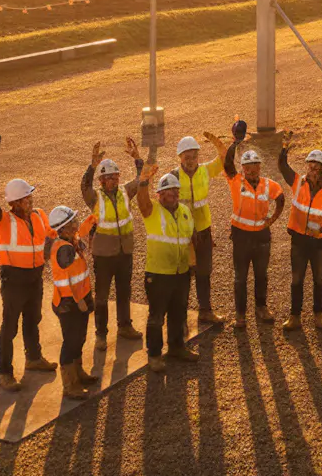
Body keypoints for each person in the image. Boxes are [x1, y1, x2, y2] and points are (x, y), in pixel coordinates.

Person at [0, 163, 56, 392]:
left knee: (33, 319)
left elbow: (49, 238)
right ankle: (4, 372)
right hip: (14, 280)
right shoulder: (4, 221)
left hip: (35, 277)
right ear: (14, 204)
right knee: (10, 327)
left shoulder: (38, 216)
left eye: (30, 197)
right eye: (26, 198)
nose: (31, 201)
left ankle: (33, 358)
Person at [210, 132, 285, 329]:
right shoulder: (236, 181)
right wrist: (235, 143)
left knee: (261, 274)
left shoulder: (269, 185)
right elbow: (227, 164)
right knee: (240, 277)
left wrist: (273, 218)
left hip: (261, 236)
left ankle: (261, 308)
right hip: (241, 236)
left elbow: (280, 198)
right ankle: (240, 315)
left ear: (260, 167)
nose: (251, 171)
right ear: (242, 169)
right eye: (247, 168)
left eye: (255, 167)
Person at [79, 137, 145, 350]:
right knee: (102, 296)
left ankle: (125, 326)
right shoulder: (95, 198)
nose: (114, 180)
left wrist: (137, 159)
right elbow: (84, 186)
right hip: (104, 255)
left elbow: (142, 179)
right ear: (101, 181)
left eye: (116, 176)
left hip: (124, 252)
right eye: (109, 177)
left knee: (124, 292)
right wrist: (92, 166)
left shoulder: (126, 191)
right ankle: (101, 334)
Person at [134, 165, 199, 372]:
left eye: (176, 191)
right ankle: (154, 355)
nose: (173, 194)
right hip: (159, 274)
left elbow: (189, 240)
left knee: (178, 312)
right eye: (168, 191)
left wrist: (192, 265)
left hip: (180, 273)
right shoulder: (152, 210)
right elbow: (142, 202)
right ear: (160, 194)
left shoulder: (185, 211)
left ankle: (176, 347)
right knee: (156, 316)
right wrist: (143, 181)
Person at [277, 135, 322, 331]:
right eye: (310, 166)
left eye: (316, 167)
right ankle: (294, 317)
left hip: (319, 243)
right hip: (298, 240)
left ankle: (319, 315)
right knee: (296, 279)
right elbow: (282, 166)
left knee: (319, 279)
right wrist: (284, 147)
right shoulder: (298, 182)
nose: (312, 170)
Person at [171, 134, 227, 328]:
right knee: (183, 274)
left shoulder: (205, 171)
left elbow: (224, 159)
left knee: (204, 272)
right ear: (180, 157)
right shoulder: (174, 176)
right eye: (187, 156)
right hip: (183, 233)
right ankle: (181, 315)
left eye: (194, 155)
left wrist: (218, 144)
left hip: (203, 230)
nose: (191, 159)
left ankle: (205, 311)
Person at [46, 205, 96, 398]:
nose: (76, 225)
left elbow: (80, 235)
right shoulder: (64, 249)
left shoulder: (70, 241)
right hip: (69, 302)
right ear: (63, 229)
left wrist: (90, 221)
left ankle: (78, 373)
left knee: (80, 338)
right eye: (73, 222)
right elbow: (66, 281)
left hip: (78, 299)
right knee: (71, 341)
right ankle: (69, 385)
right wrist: (78, 301)